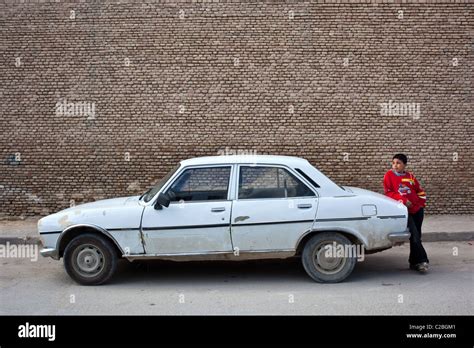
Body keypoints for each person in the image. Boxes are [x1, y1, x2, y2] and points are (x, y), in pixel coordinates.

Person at [383, 154, 429, 273]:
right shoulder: (389, 176)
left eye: (398, 163)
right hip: (404, 211)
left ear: (404, 164)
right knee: (414, 235)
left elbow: (420, 192)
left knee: (417, 236)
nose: (395, 165)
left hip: (417, 211)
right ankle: (423, 261)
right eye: (393, 163)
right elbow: (388, 193)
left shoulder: (410, 177)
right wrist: (403, 200)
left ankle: (414, 263)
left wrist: (420, 204)